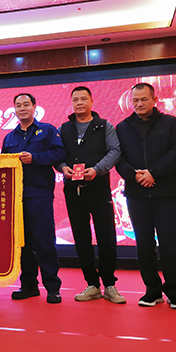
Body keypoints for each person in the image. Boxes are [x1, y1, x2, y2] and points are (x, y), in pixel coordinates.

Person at [116, 83, 176, 309]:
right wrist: (134, 175)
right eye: (135, 100)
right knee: (144, 244)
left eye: (144, 99)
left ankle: (174, 292)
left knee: (169, 243)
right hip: (136, 193)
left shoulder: (170, 122)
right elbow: (119, 158)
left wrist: (154, 173)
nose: (139, 104)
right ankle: (152, 290)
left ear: (155, 100)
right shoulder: (122, 127)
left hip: (165, 192)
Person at [58, 86, 126, 304]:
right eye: (75, 99)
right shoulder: (64, 128)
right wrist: (62, 167)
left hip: (98, 187)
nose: (79, 103)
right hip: (73, 190)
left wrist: (97, 169)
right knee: (81, 238)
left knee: (106, 237)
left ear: (92, 101)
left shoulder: (104, 126)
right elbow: (58, 154)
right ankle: (92, 284)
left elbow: (115, 151)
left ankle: (110, 285)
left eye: (83, 99)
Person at [2, 93, 65, 304]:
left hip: (40, 195)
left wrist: (35, 158)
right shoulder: (9, 137)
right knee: (23, 244)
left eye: (26, 104)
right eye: (18, 105)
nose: (22, 109)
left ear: (34, 107)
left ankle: (53, 288)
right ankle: (29, 285)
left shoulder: (47, 130)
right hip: (16, 198)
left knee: (44, 242)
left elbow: (59, 154)